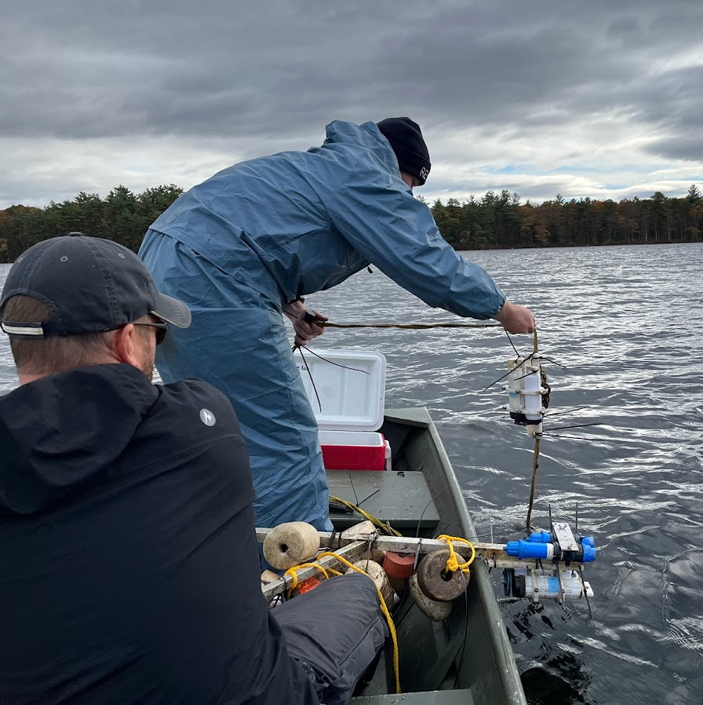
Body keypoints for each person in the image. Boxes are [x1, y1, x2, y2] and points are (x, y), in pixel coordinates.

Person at [0, 233, 385, 705]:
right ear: (126, 341)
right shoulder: (204, 421)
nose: (158, 344)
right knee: (359, 587)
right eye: (155, 331)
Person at [139, 117, 536, 530]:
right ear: (401, 168)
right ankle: (293, 573)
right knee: (284, 442)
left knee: (215, 422)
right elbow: (423, 257)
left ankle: (211, 538)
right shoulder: (365, 175)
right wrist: (502, 308)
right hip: (214, 283)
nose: (408, 195)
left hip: (161, 270)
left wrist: (292, 310)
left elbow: (255, 235)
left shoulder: (325, 167)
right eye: (412, 185)